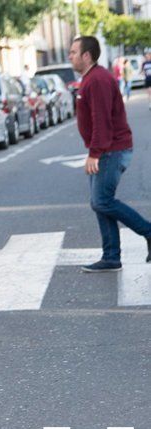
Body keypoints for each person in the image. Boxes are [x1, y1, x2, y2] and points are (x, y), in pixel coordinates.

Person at [68, 36, 151, 272]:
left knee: (102, 200)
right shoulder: (91, 79)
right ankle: (111, 257)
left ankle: (147, 232)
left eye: (73, 52)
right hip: (107, 149)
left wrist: (95, 153)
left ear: (87, 55)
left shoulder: (98, 80)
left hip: (111, 150)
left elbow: (101, 120)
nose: (70, 56)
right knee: (100, 203)